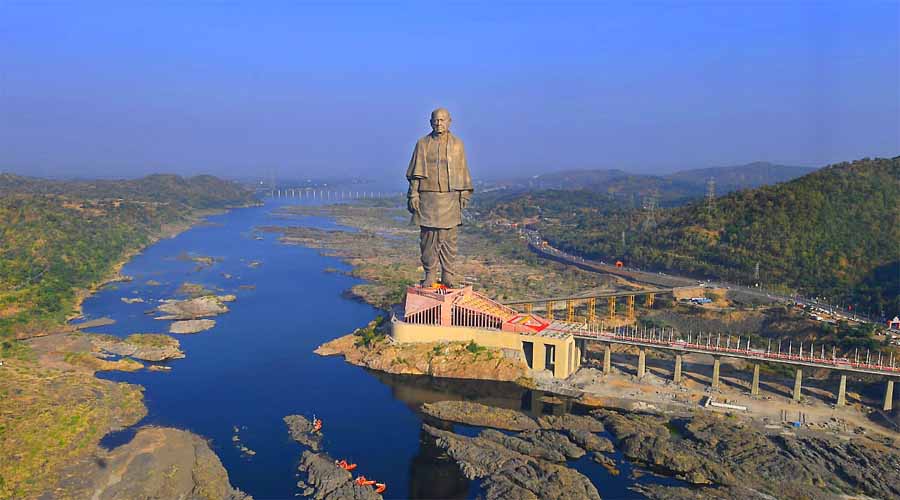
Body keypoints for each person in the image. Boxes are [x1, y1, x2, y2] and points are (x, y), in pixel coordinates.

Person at [405, 108, 473, 287]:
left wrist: (464, 192)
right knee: (428, 237)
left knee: (449, 238)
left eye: (442, 120)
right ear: (430, 122)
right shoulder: (423, 144)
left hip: (450, 197)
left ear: (450, 121)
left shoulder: (458, 144)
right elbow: (415, 173)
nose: (439, 123)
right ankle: (430, 273)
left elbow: (463, 170)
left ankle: (448, 274)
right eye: (436, 120)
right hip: (428, 197)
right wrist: (413, 193)